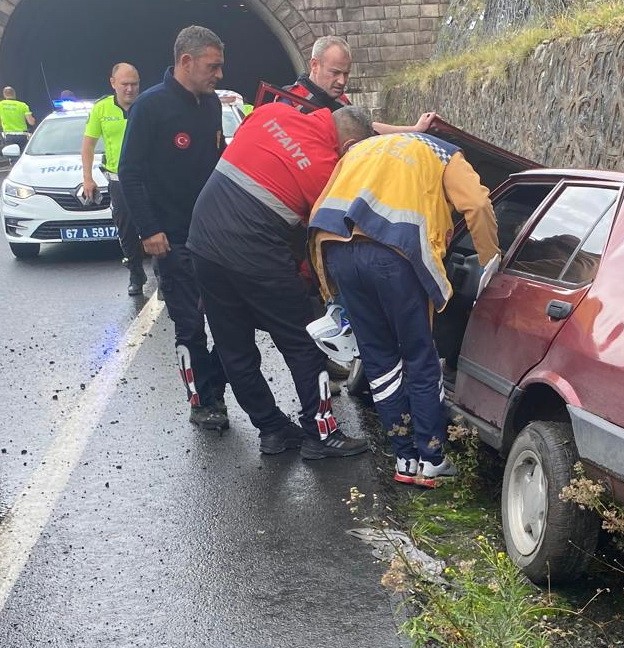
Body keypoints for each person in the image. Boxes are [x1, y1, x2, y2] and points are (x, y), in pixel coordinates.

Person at [308, 132, 499, 486]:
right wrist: (490, 263)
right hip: (395, 255)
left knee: (379, 360)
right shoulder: (446, 154)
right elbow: (478, 205)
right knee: (419, 357)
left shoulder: (362, 148)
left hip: (336, 248)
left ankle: (404, 458)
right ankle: (432, 459)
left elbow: (324, 202)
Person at [186, 101, 375, 459]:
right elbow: (321, 239)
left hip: (203, 240)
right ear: (350, 147)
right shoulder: (327, 170)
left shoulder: (271, 113)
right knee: (303, 342)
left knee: (234, 347)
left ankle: (272, 431)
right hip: (254, 251)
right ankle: (322, 436)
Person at [119, 25, 229, 431]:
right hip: (172, 236)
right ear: (186, 61)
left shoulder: (212, 104)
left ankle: (214, 383)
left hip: (214, 234)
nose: (219, 74)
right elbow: (130, 174)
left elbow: (217, 163)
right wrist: (149, 229)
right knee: (190, 325)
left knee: (233, 318)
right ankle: (202, 401)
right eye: (212, 66)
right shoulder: (151, 107)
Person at [285, 35, 436, 135]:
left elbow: (366, 127)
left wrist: (415, 130)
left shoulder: (340, 100)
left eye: (346, 73)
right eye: (335, 73)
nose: (342, 81)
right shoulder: (289, 101)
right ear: (315, 65)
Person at [81, 63, 146, 296]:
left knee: (157, 225)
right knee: (126, 229)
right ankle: (136, 273)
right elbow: (88, 144)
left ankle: (163, 274)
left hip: (148, 178)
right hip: (119, 180)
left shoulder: (147, 104)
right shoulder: (101, 109)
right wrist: (87, 178)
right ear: (112, 83)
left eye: (134, 84)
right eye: (124, 84)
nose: (130, 89)